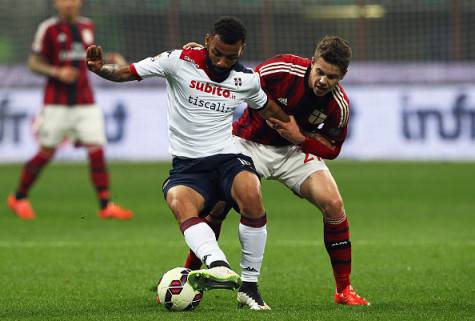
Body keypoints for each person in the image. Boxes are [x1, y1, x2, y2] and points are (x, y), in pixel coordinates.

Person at [85, 16, 289, 304]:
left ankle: (249, 289)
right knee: (179, 201)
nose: (221, 62)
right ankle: (219, 266)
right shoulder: (177, 61)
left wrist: (298, 131)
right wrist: (99, 69)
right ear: (207, 41)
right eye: (217, 53)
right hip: (189, 166)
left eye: (229, 56)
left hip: (228, 158)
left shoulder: (246, 80)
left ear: (241, 50)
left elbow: (269, 109)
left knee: (251, 192)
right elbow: (126, 73)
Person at [184, 36, 370, 307]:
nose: (323, 81)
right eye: (320, 72)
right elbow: (240, 79)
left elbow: (333, 148)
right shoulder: (282, 69)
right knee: (218, 204)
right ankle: (188, 277)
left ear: (342, 75)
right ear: (312, 62)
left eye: (332, 77)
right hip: (249, 144)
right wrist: (203, 57)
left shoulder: (338, 106)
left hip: (294, 151)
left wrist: (300, 138)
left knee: (334, 204)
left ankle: (344, 290)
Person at [7, 0, 133, 220]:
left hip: (85, 101)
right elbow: (33, 62)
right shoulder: (48, 29)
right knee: (46, 151)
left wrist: (111, 59)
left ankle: (106, 205)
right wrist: (57, 72)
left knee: (97, 149)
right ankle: (19, 197)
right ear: (56, 4)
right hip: (56, 103)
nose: (69, 4)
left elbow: (93, 57)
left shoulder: (88, 27)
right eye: (63, 0)